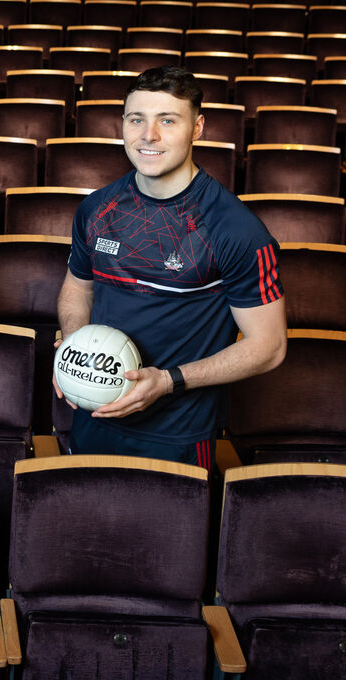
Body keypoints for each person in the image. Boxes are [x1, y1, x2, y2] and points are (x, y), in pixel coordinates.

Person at [54, 65, 287, 468]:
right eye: (136, 119)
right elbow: (78, 288)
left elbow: (269, 348)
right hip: (92, 417)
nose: (149, 135)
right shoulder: (96, 208)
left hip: (177, 434)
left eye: (167, 120)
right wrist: (75, 347)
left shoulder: (236, 230)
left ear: (197, 128)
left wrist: (166, 382)